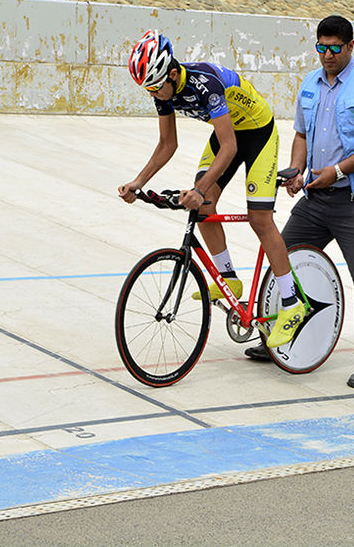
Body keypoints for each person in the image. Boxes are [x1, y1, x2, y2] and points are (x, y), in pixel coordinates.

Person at [118, 31, 304, 349]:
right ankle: (228, 276)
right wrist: (139, 182)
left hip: (258, 133)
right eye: (148, 89)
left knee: (259, 218)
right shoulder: (163, 90)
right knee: (201, 207)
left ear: (172, 74)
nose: (154, 95)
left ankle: (291, 302)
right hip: (228, 131)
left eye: (155, 87)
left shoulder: (206, 83)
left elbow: (229, 148)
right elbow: (167, 144)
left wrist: (200, 187)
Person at [245, 15, 354, 390]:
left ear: (350, 47)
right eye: (320, 48)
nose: (326, 55)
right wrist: (298, 169)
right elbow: (300, 133)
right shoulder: (310, 83)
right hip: (316, 195)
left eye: (334, 48)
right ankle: (276, 336)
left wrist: (339, 171)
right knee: (284, 258)